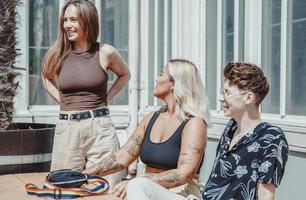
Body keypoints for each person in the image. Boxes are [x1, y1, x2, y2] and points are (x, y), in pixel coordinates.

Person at [84, 59, 210, 199]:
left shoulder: (194, 123)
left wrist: (139, 182)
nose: (156, 79)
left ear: (174, 83)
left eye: (161, 74)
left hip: (179, 193)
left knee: (135, 187)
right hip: (143, 189)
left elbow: (184, 173)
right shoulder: (152, 118)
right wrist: (84, 174)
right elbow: (122, 156)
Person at [42, 0, 130, 187]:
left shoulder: (105, 52)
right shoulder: (58, 53)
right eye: (65, 20)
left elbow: (125, 75)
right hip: (68, 128)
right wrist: (62, 101)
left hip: (100, 128)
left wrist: (106, 98)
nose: (67, 25)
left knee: (105, 187)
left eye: (73, 20)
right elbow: (46, 78)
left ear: (87, 20)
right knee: (64, 187)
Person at [202, 62, 288, 200]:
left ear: (249, 97)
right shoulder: (231, 127)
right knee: (152, 189)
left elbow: (266, 194)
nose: (220, 98)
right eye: (222, 92)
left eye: (227, 93)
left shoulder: (271, 137)